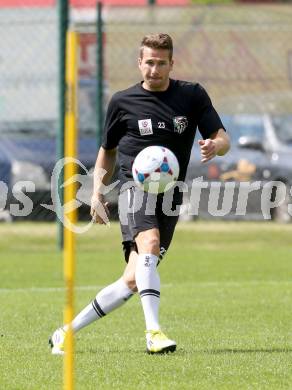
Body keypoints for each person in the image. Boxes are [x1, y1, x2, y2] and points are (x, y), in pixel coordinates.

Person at [49, 33, 230, 355]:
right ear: (139, 63)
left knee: (133, 280)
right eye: (149, 62)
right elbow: (108, 150)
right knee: (150, 243)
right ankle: (153, 333)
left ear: (171, 64)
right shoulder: (122, 102)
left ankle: (65, 333)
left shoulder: (192, 95)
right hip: (135, 187)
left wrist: (215, 145)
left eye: (161, 63)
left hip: (172, 192)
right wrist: (97, 194)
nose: (154, 69)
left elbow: (221, 136)